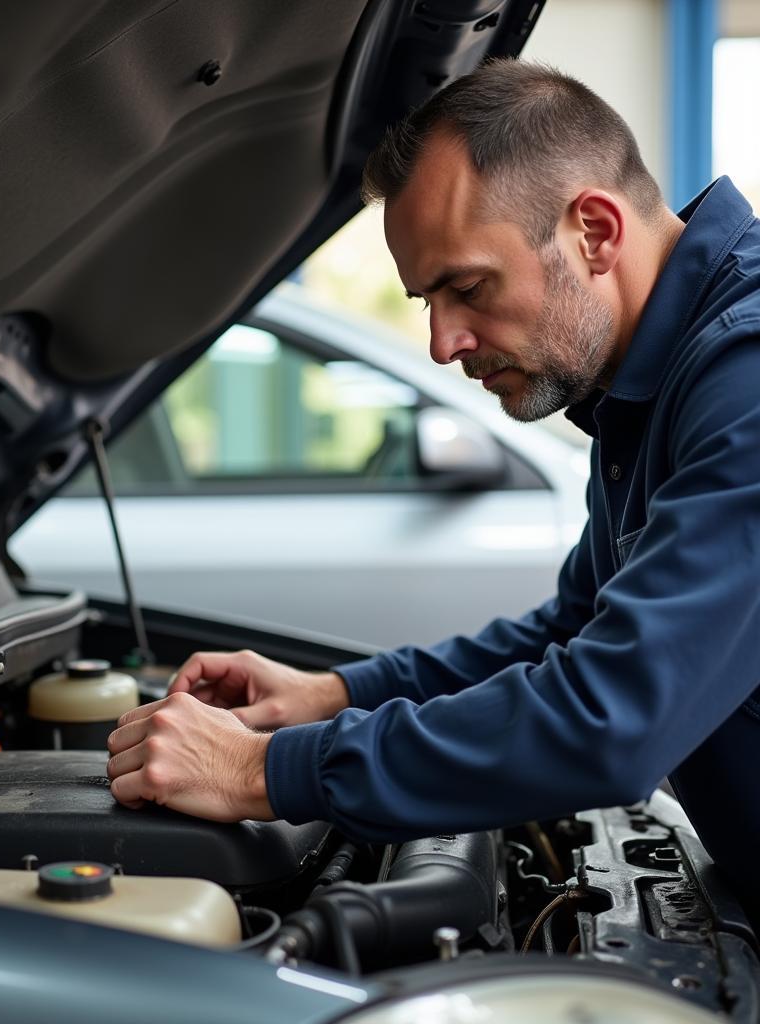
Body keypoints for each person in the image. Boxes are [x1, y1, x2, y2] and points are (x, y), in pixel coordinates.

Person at [106, 59, 760, 921]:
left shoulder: (744, 378)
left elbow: (611, 719)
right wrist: (332, 695)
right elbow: (569, 634)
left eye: (468, 287)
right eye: (427, 299)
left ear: (595, 232)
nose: (444, 343)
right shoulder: (649, 383)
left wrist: (260, 771)